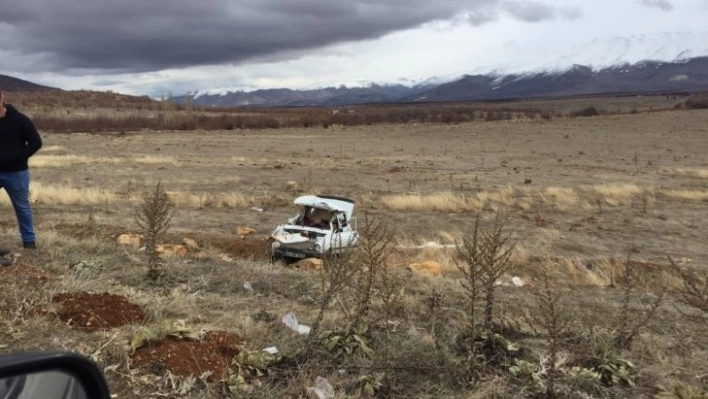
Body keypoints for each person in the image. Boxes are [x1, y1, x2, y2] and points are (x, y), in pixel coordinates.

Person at [0, 90, 42, 250]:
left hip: (16, 173)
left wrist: (19, 157)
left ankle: (29, 241)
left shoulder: (20, 120)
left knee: (22, 206)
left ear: (2, 99)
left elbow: (36, 142)